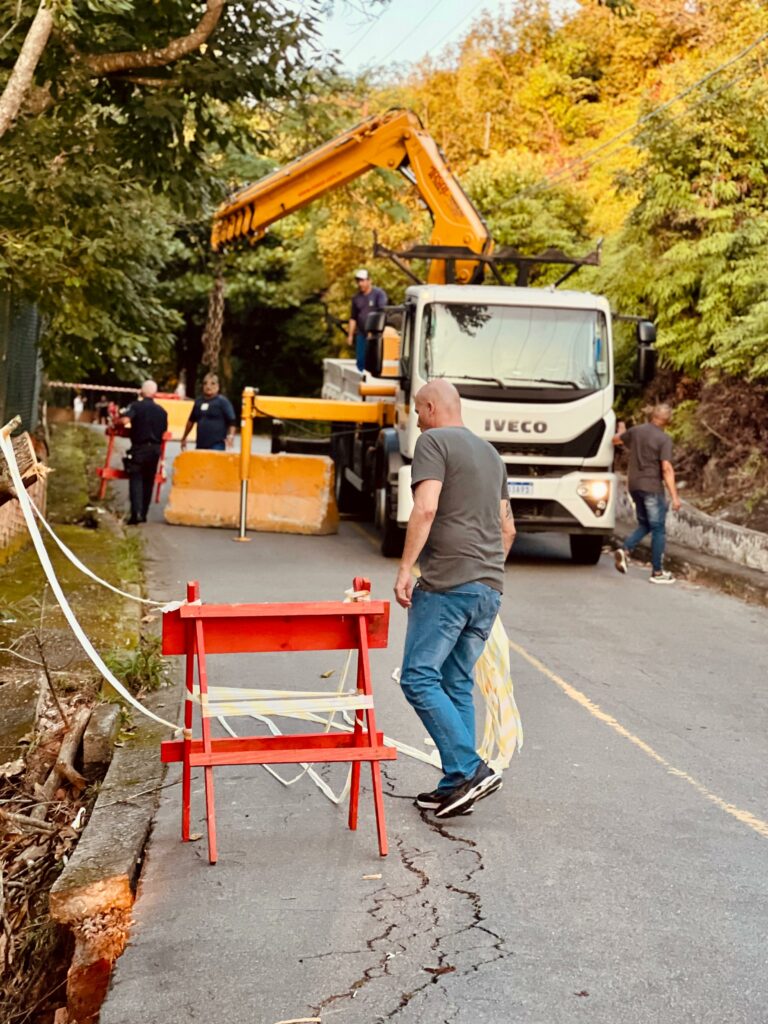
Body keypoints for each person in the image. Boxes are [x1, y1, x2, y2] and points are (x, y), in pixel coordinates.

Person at [394, 379, 516, 819]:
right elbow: (508, 530)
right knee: (455, 681)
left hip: (447, 585)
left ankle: (469, 769)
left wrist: (406, 569)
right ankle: (455, 785)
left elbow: (425, 508)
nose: (417, 420)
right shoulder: (491, 454)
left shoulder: (434, 443)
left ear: (430, 407)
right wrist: (485, 572)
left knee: (418, 677)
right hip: (489, 588)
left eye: (417, 411)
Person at [613, 403, 681, 584]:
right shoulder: (664, 439)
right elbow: (666, 468)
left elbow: (616, 440)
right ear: (668, 421)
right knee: (658, 528)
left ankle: (625, 550)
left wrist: (621, 429)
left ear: (652, 416)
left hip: (634, 485)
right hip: (651, 486)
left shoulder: (636, 431)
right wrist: (674, 496)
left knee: (645, 524)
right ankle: (657, 572)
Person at [122, 380, 168, 525]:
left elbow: (124, 420)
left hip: (139, 447)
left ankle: (135, 513)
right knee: (148, 481)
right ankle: (144, 514)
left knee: (136, 478)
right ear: (154, 393)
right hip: (155, 449)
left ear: (141, 391)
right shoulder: (162, 411)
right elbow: (164, 430)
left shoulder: (136, 406)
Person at [180, 373, 237, 452]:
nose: (208, 386)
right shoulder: (198, 402)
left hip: (217, 444)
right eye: (205, 383)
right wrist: (184, 437)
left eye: (212, 383)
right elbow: (191, 421)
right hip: (200, 444)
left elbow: (232, 420)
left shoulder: (223, 402)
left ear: (217, 386)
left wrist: (231, 436)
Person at [347, 269, 388, 373]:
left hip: (375, 335)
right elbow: (353, 318)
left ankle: (372, 381)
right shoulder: (356, 298)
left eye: (362, 280)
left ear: (369, 281)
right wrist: (350, 335)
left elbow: (382, 312)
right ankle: (362, 378)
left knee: (374, 359)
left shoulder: (378, 294)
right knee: (360, 359)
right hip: (361, 333)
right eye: (358, 281)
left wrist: (373, 330)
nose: (360, 283)